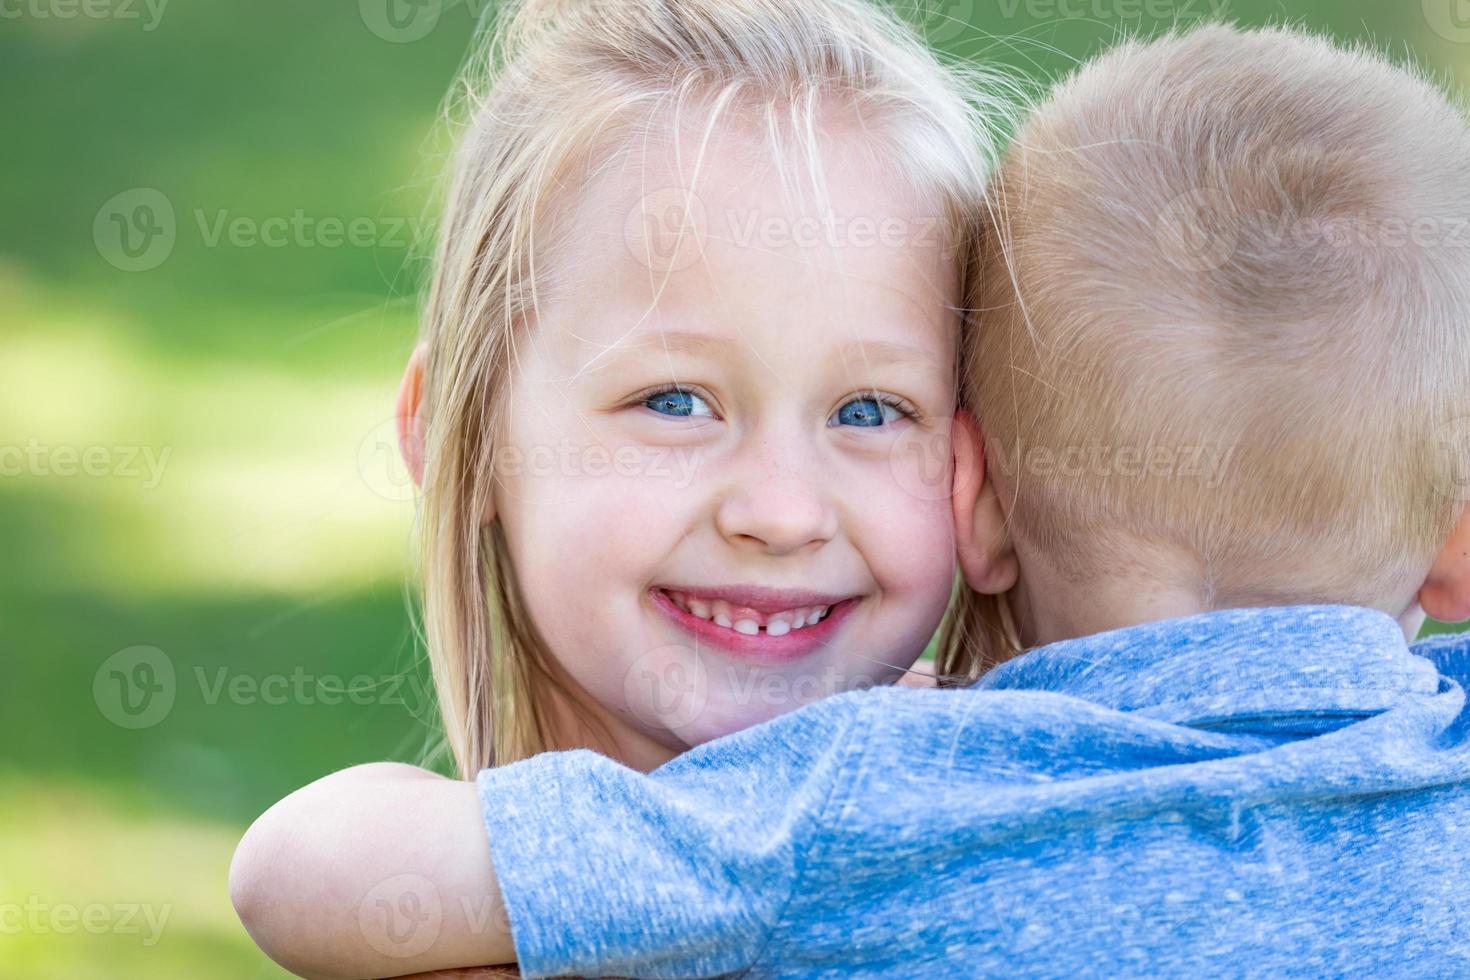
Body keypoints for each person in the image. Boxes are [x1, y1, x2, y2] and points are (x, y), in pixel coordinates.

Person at [234, 22, 1470, 980]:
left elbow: (299, 868)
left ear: (974, 480)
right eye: (674, 398)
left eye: (872, 411)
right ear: (458, 427)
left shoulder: (850, 807)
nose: (778, 509)